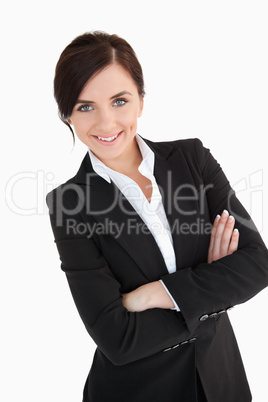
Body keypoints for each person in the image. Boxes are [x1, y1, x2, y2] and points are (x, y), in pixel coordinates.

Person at [46, 31, 268, 402]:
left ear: (141, 101)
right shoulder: (69, 202)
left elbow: (258, 264)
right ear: (67, 114)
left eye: (119, 101)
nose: (105, 123)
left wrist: (154, 294)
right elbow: (117, 338)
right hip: (137, 391)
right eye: (86, 107)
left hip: (220, 381)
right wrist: (211, 286)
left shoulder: (192, 160)